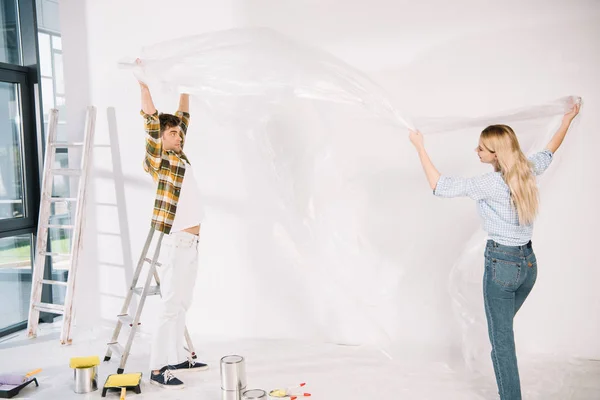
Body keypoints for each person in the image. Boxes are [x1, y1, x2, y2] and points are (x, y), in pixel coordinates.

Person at [409, 102, 581, 399]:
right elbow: (550, 150)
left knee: (501, 342)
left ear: (496, 154)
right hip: (528, 266)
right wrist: (567, 119)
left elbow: (439, 186)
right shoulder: (527, 169)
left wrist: (419, 147)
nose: (476, 152)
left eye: (481, 149)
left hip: (503, 266)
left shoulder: (490, 183)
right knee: (500, 334)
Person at [137, 59, 208, 389]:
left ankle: (177, 355)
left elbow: (184, 115)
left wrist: (185, 84)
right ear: (160, 138)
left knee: (183, 302)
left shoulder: (179, 155)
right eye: (172, 133)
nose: (178, 136)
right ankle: (157, 368)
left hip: (191, 242)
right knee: (170, 305)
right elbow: (152, 121)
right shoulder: (159, 160)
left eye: (179, 133)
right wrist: (143, 85)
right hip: (177, 241)